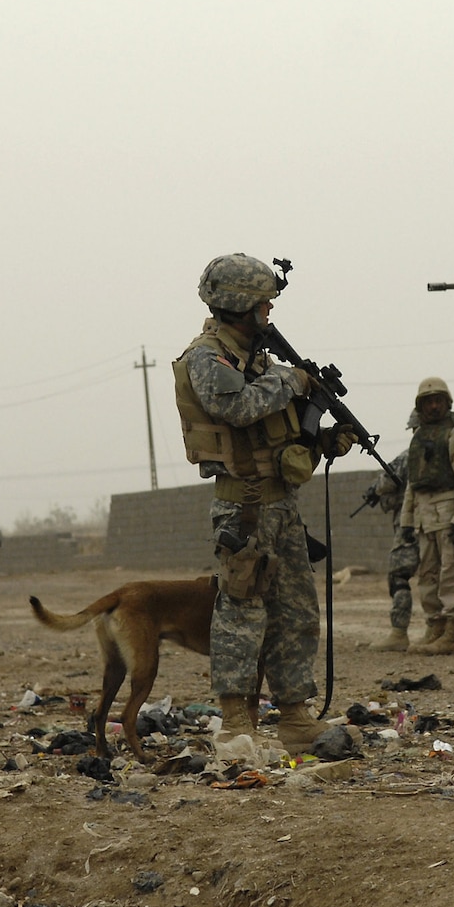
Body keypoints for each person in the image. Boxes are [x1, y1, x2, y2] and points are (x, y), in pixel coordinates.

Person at [172, 253, 353, 754]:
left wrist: (323, 440)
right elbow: (236, 407)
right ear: (239, 305)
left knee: (296, 613)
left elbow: (278, 435)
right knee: (242, 613)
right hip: (244, 507)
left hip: (281, 505)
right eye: (263, 302)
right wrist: (293, 380)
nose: (270, 310)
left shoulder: (258, 361)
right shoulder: (207, 357)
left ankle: (294, 717)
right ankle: (236, 721)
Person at [399, 376, 454, 656]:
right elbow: (413, 483)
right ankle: (435, 627)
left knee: (453, 574)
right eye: (428, 402)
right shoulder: (419, 436)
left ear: (447, 403)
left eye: (438, 401)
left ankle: (452, 635)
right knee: (428, 576)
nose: (434, 406)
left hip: (448, 515)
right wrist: (406, 522)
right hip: (424, 516)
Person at [368, 448, 419, 651]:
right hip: (433, 519)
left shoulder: (408, 454)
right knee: (434, 576)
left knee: (399, 576)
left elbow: (389, 480)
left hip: (408, 521)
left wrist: (374, 489)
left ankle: (399, 633)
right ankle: (439, 631)